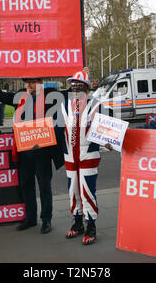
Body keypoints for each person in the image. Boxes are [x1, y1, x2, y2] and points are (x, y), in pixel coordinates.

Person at [0, 68, 64, 234]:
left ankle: (46, 219)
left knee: (44, 187)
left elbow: (58, 120)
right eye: (27, 82)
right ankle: (31, 219)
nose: (29, 85)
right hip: (24, 150)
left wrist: (81, 75)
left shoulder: (50, 96)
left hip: (42, 150)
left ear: (40, 82)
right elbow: (1, 96)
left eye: (32, 82)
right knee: (26, 185)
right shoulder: (20, 96)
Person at [58, 70, 113, 245]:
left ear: (86, 87)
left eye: (79, 85)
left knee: (87, 190)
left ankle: (91, 226)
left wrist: (109, 142)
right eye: (73, 85)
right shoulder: (64, 105)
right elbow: (56, 129)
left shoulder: (97, 105)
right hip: (69, 153)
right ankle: (77, 222)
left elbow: (105, 129)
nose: (75, 88)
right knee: (73, 189)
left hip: (88, 152)